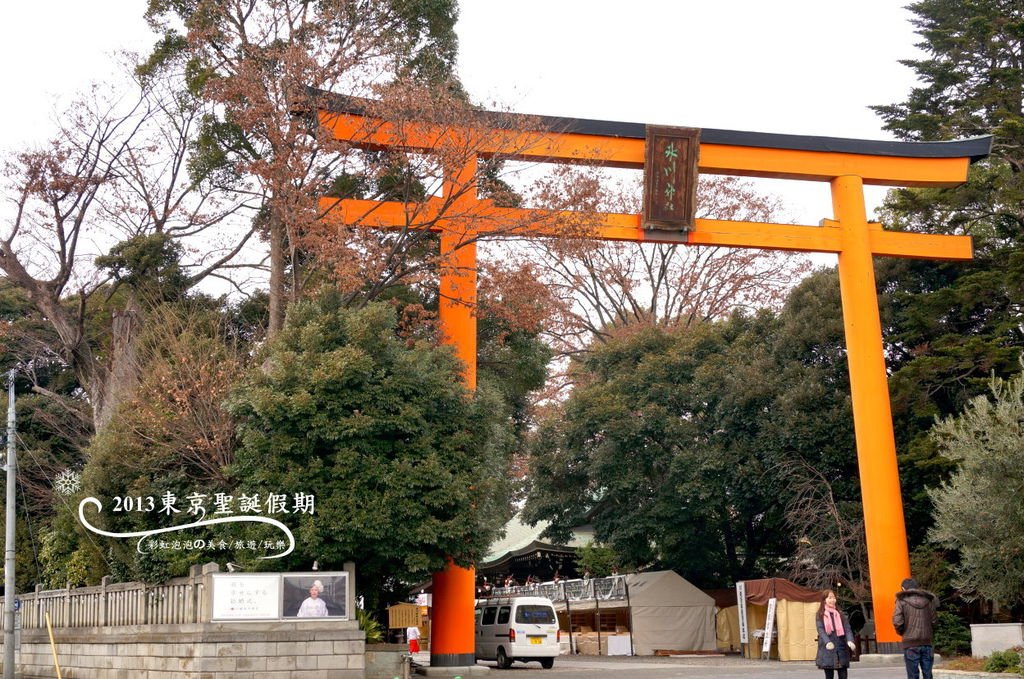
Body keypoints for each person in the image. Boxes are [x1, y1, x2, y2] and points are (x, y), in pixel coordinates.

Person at [892, 577, 938, 679]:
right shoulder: (928, 600)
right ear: (917, 588)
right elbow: (934, 621)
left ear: (903, 589)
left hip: (910, 643)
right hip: (927, 642)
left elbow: (897, 622)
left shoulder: (901, 601)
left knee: (913, 675)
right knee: (928, 674)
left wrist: (904, 632)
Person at [815, 589, 856, 679]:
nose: (832, 600)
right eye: (829, 598)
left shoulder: (841, 614)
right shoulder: (820, 615)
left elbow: (847, 629)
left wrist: (850, 640)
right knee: (829, 676)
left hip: (840, 647)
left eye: (833, 598)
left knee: (843, 675)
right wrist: (827, 642)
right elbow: (821, 630)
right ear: (824, 600)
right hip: (828, 649)